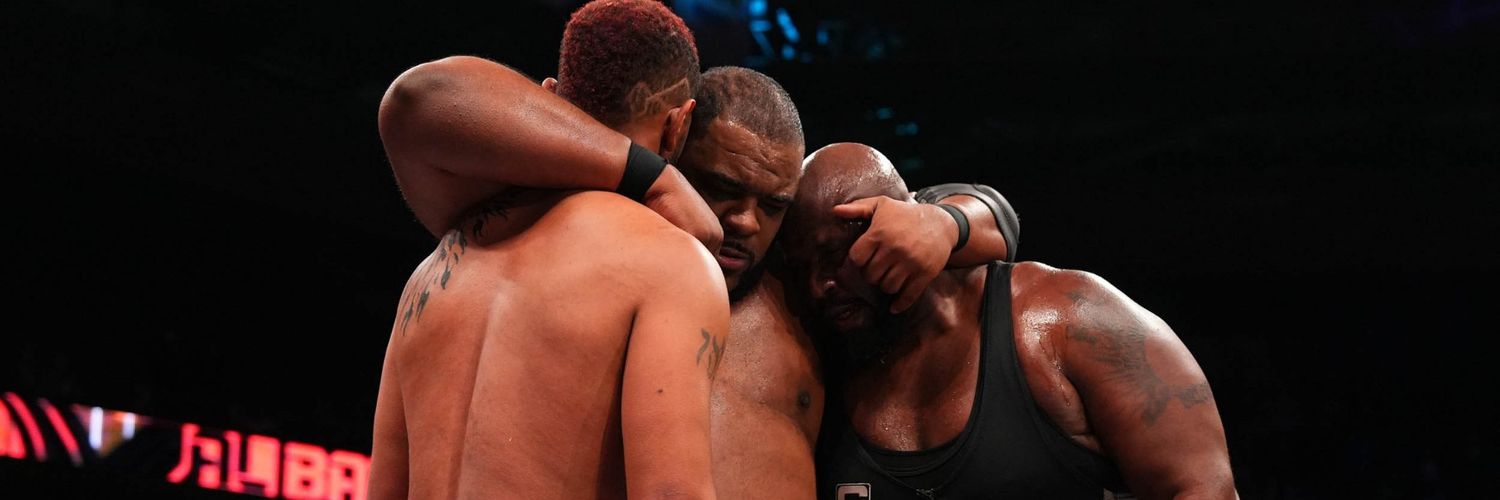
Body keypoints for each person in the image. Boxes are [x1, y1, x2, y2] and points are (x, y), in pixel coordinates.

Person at [369, 1, 728, 498]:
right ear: (678, 125)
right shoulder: (673, 263)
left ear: (549, 96)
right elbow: (672, 493)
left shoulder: (431, 276)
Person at [781, 143, 1237, 500]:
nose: (820, 286)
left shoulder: (1066, 318)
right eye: (803, 269)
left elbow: (1202, 488)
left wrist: (945, 221)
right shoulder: (812, 360)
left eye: (834, 255)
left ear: (895, 229)